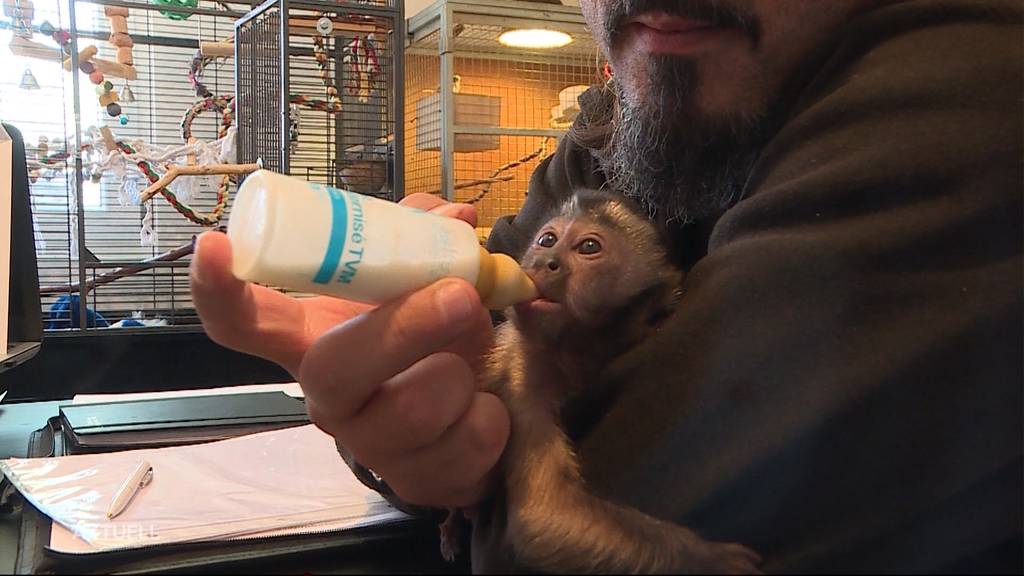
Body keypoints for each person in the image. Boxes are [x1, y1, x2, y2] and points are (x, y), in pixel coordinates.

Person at [191, 0, 1022, 571]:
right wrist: (396, 442)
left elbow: (550, 541)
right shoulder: (624, 122)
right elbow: (465, 351)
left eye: (582, 250)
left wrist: (490, 481)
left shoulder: (974, 80)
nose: (548, 263)